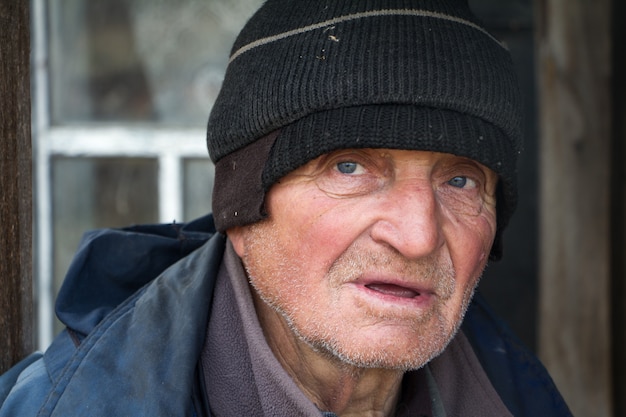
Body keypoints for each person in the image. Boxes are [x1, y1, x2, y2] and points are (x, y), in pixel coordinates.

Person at [0, 0, 572, 416]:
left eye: (461, 180)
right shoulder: (61, 405)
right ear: (243, 212)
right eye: (349, 167)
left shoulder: (524, 400)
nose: (418, 236)